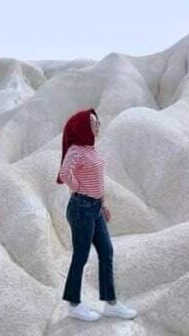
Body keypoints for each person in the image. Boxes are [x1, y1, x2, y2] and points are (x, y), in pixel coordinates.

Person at [56, 108, 137, 322]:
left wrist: (102, 204)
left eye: (98, 122)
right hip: (80, 208)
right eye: (93, 123)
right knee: (81, 256)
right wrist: (78, 188)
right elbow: (64, 173)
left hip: (94, 208)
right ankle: (74, 304)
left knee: (107, 252)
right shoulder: (76, 150)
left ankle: (110, 304)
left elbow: (97, 180)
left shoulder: (92, 149)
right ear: (83, 126)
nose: (98, 126)